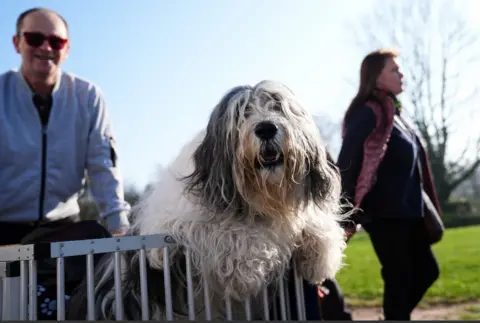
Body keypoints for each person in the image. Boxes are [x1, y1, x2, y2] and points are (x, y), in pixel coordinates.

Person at [0, 7, 131, 246]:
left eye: (56, 41)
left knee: (94, 239)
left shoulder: (88, 96)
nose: (46, 48)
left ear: (67, 49)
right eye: (35, 38)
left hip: (61, 228)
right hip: (4, 228)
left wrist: (119, 225)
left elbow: (103, 164)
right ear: (17, 43)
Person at [336, 48, 441, 320]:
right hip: (384, 215)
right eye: (394, 70)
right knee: (399, 279)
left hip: (409, 213)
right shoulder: (368, 112)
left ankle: (394, 317)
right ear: (376, 77)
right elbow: (347, 158)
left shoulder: (396, 116)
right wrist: (344, 209)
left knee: (427, 271)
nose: (401, 74)